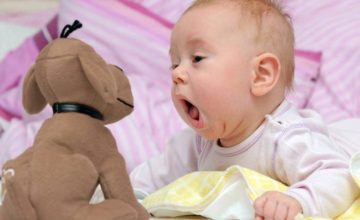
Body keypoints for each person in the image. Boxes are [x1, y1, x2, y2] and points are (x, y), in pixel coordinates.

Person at [130, 0, 360, 219]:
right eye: (175, 62)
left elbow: (339, 175)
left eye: (197, 58)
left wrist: (298, 200)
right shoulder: (194, 145)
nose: (176, 74)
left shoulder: (286, 139)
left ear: (261, 75)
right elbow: (143, 182)